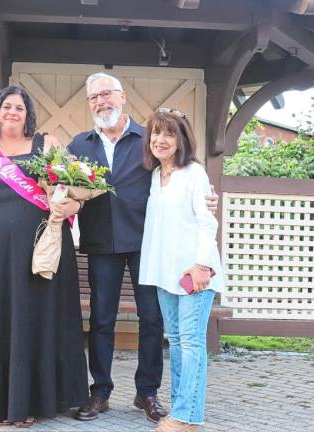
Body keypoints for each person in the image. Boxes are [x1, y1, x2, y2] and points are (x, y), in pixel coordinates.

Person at [68, 72, 218, 423]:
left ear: (122, 97)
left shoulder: (147, 138)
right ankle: (100, 391)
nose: (101, 101)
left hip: (146, 246)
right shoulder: (79, 145)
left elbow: (178, 175)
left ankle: (147, 392)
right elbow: (67, 188)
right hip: (101, 242)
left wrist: (205, 199)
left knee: (152, 319)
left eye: (107, 94)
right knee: (101, 319)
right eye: (94, 97)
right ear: (89, 104)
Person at [0, 85, 89, 427]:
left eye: (19, 108)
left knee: (37, 317)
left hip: (42, 245)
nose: (12, 113)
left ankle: (34, 399)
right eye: (6, 107)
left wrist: (74, 202)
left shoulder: (47, 144)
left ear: (27, 113)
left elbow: (74, 186)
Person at [139, 109, 224, 432]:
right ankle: (180, 411)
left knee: (190, 343)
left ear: (181, 139)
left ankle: (188, 417)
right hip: (165, 273)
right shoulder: (156, 175)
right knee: (175, 341)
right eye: (156, 133)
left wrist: (203, 264)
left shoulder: (194, 173)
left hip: (194, 274)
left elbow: (207, 221)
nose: (160, 140)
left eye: (169, 134)